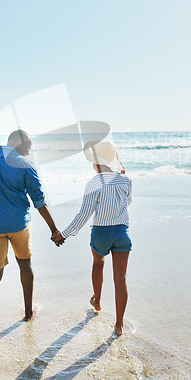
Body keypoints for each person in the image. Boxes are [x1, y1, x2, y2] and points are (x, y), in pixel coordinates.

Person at [0, 129, 63, 363]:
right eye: (28, 146)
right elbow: (39, 199)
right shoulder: (25, 164)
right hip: (18, 225)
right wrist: (54, 229)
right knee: (25, 264)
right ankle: (28, 313)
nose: (29, 151)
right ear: (18, 142)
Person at [52, 140, 132, 335]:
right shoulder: (126, 181)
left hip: (101, 233)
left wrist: (64, 234)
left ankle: (97, 301)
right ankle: (119, 325)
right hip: (122, 233)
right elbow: (127, 202)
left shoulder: (93, 183)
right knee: (120, 279)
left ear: (96, 164)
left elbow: (83, 215)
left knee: (98, 263)